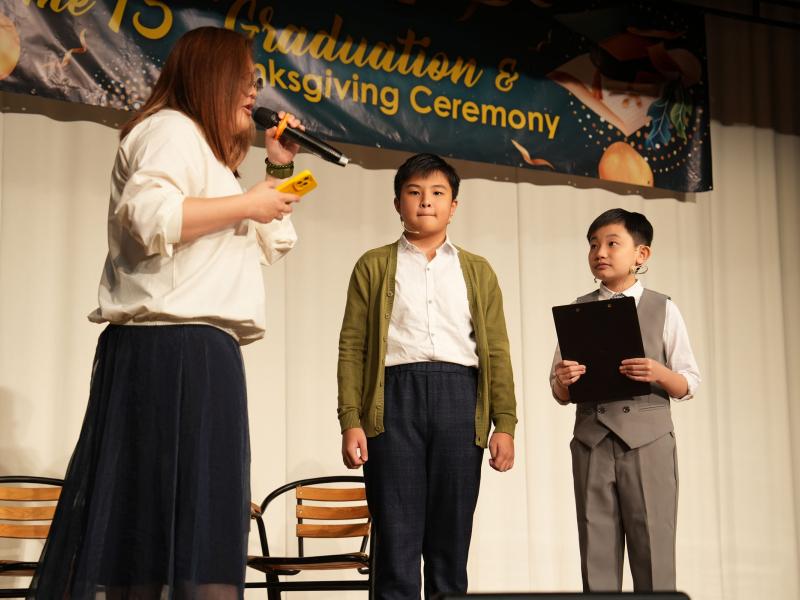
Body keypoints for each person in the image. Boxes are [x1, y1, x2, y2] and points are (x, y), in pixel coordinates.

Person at [29, 27, 304, 599]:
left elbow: (260, 242)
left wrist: (274, 173)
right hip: (170, 351)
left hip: (201, 351)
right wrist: (250, 201)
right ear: (212, 77)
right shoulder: (170, 131)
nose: (254, 92)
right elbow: (149, 215)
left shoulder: (207, 154)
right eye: (246, 79)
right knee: (150, 533)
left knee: (198, 527)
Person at [337, 153, 517, 600]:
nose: (425, 203)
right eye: (414, 193)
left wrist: (505, 424)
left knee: (450, 539)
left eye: (437, 194)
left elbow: (496, 350)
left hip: (461, 399)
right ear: (397, 202)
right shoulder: (373, 265)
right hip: (393, 401)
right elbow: (352, 347)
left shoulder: (477, 270)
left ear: (453, 206)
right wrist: (351, 419)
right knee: (395, 536)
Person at [550, 208, 701, 592]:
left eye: (612, 243)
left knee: (654, 552)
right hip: (591, 442)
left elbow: (689, 382)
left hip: (647, 443)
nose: (600, 252)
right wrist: (564, 381)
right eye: (593, 245)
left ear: (641, 254)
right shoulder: (578, 309)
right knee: (596, 553)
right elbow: (559, 391)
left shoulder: (663, 308)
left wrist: (658, 373)